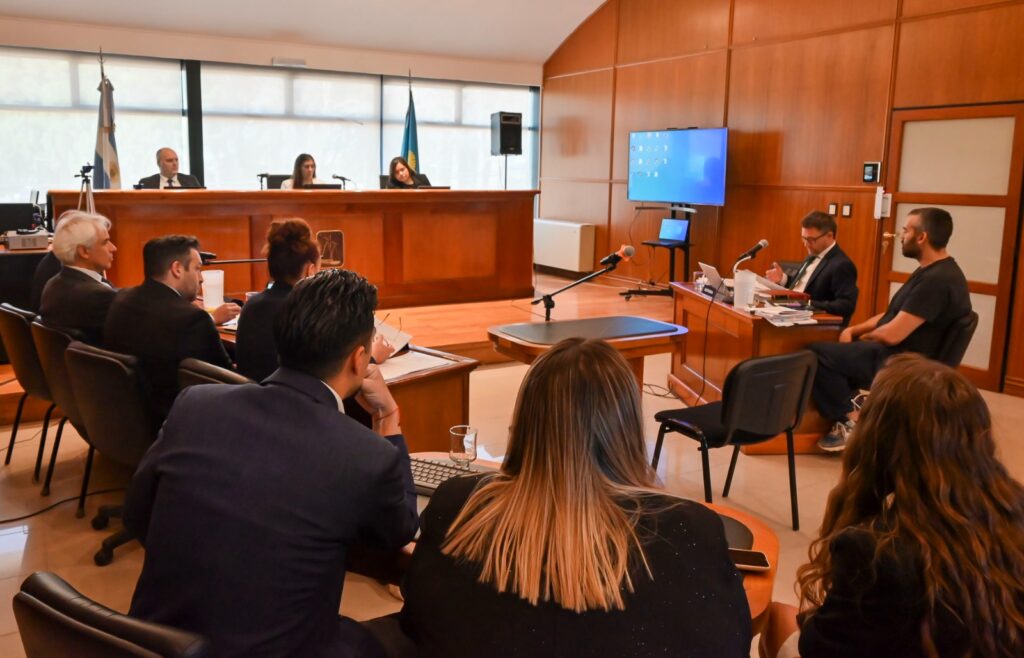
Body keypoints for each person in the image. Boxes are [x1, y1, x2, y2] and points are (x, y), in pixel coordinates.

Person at [125, 269, 418, 658]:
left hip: (151, 643)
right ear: (359, 359)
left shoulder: (195, 404)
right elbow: (399, 533)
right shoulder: (366, 454)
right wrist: (387, 417)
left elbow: (137, 516)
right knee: (418, 633)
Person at [398, 338, 751, 657]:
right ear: (627, 430)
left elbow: (418, 621)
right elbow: (730, 641)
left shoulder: (458, 505)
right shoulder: (690, 529)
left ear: (524, 423)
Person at [762, 354, 1024, 658]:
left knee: (778, 616)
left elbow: (817, 650)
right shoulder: (1013, 508)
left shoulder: (876, 550)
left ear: (878, 440)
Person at [810, 207, 970, 451]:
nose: (900, 236)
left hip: (906, 362)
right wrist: (853, 330)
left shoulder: (937, 281)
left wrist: (862, 337)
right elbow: (891, 315)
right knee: (839, 352)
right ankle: (865, 414)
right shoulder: (932, 270)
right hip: (903, 355)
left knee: (818, 354)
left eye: (905, 230)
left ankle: (852, 421)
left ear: (922, 237)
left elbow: (892, 334)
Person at [103, 235, 239, 425]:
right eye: (197, 269)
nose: (201, 279)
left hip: (127, 418)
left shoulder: (121, 299)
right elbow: (229, 383)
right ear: (177, 269)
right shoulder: (192, 319)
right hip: (178, 421)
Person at [38, 210, 117, 344]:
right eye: (105, 242)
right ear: (84, 251)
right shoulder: (97, 295)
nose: (113, 248)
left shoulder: (53, 283)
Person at [765, 211, 858, 324]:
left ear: (829, 236)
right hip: (791, 311)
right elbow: (803, 287)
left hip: (813, 322)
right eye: (804, 238)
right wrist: (782, 279)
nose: (806, 244)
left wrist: (806, 303)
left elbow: (846, 305)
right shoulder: (812, 256)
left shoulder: (842, 265)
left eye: (811, 240)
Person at [136, 148, 201, 189]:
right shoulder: (146, 183)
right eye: (170, 160)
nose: (175, 163)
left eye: (176, 160)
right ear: (159, 163)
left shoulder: (191, 180)